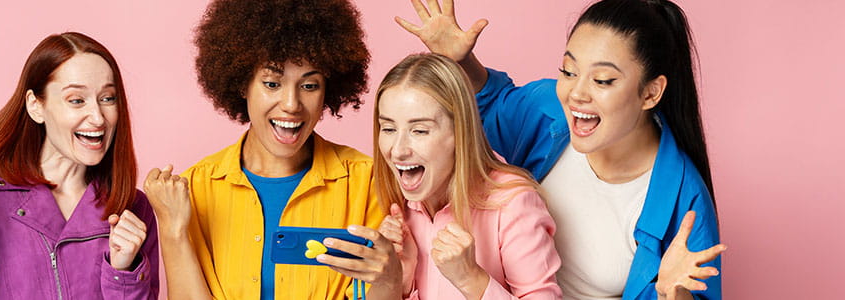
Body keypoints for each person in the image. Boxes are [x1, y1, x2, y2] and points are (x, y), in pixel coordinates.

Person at [396, 0, 725, 299]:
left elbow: (691, 291)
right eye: (569, 71)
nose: (576, 93)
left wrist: (673, 295)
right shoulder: (549, 109)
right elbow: (494, 106)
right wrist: (461, 60)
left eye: (603, 80)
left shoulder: (684, 199)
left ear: (651, 93)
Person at [142, 1, 389, 299]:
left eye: (309, 86)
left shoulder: (368, 182)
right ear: (242, 84)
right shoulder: (194, 187)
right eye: (272, 83)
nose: (291, 104)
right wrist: (173, 229)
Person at [0, 32, 158, 299]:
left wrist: (123, 273)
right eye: (77, 100)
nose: (98, 117)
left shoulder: (132, 208)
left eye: (107, 98)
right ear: (36, 106)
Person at [368, 53, 561, 299]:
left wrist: (471, 279)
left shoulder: (513, 202)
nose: (398, 150)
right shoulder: (398, 208)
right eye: (388, 128)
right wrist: (398, 278)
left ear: (460, 132)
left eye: (419, 130)